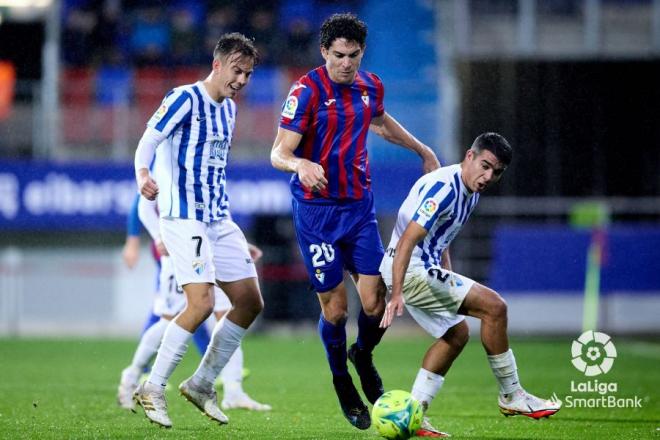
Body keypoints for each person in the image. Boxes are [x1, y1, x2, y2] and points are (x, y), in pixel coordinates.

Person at [270, 13, 440, 430]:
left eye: (355, 55)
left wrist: (423, 150)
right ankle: (342, 380)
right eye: (339, 55)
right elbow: (277, 152)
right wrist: (300, 164)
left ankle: (361, 354)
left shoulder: (370, 85)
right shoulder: (306, 90)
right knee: (336, 310)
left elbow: (380, 122)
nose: (347, 63)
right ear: (324, 51)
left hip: (359, 209)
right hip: (317, 214)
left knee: (374, 303)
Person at [379, 133, 561, 438]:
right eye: (485, 166)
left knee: (456, 334)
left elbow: (441, 236)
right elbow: (409, 238)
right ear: (470, 156)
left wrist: (447, 272)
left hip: (420, 267)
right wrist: (396, 292)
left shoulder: (469, 191)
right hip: (410, 269)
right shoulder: (445, 190)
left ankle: (415, 413)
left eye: (497, 171)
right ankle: (512, 396)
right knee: (495, 308)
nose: (488, 176)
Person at [132, 32, 264, 429]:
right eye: (237, 71)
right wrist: (142, 173)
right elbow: (148, 140)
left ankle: (203, 382)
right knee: (201, 304)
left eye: (248, 74)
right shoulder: (184, 98)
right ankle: (152, 386)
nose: (241, 80)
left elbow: (214, 167)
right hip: (182, 217)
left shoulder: (229, 110)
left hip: (218, 218)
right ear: (218, 64)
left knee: (249, 301)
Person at [117, 196, 271, 413]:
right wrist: (157, 237)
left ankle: (234, 391)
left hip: (213, 242)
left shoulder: (210, 165)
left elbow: (215, 199)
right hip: (181, 243)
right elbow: (142, 201)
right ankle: (132, 377)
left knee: (228, 314)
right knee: (173, 317)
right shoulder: (164, 165)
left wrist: (237, 243)